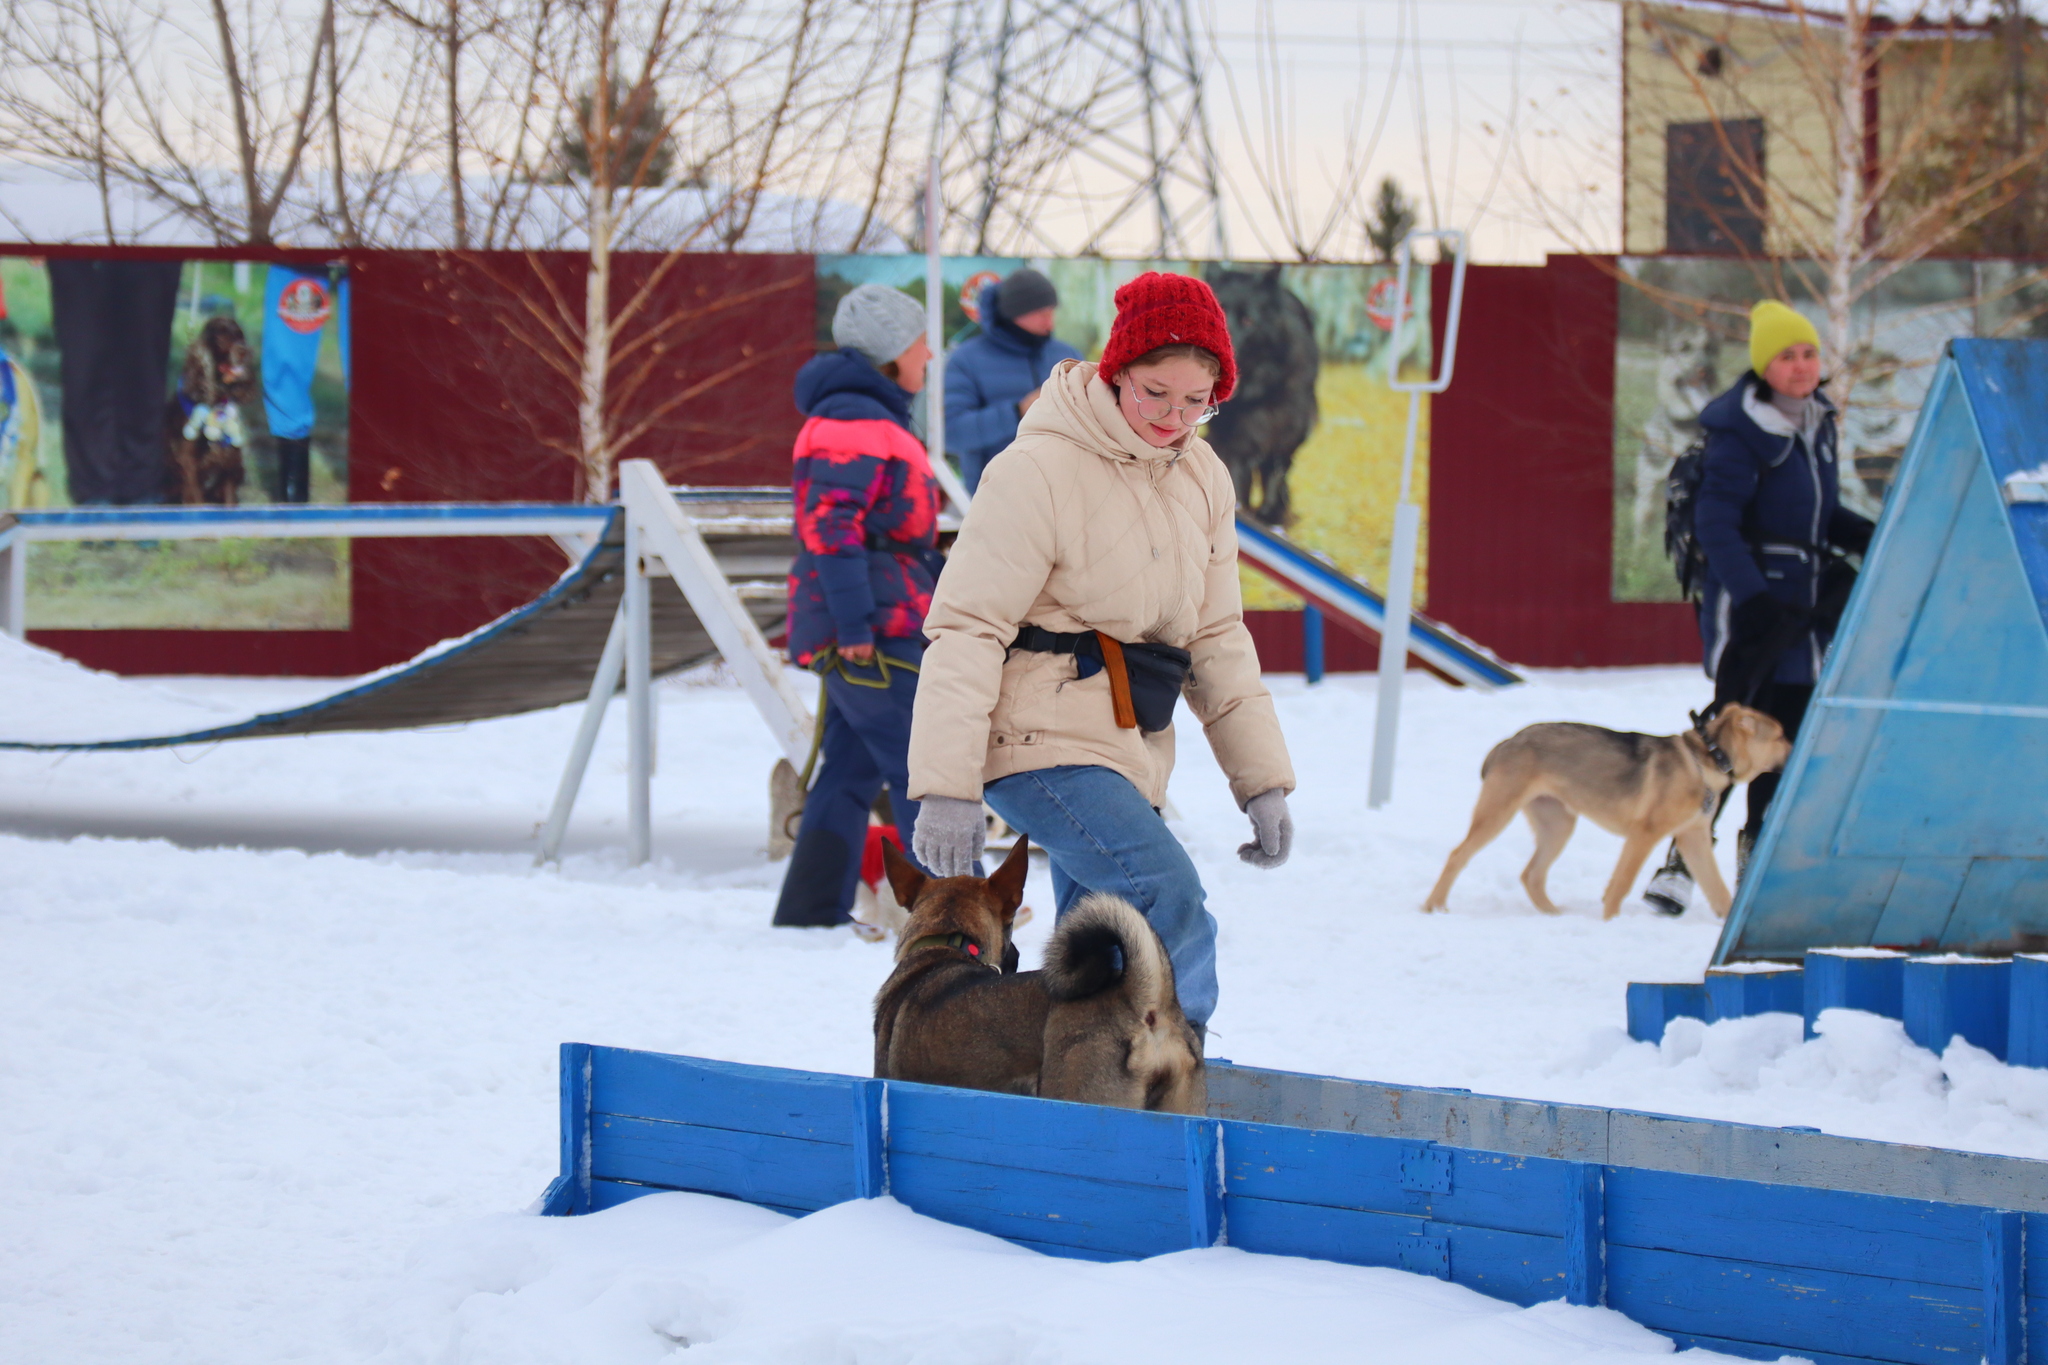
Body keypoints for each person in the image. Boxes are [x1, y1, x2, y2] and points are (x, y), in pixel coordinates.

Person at [907, 271, 1296, 1037]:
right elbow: (967, 624)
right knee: (1169, 901)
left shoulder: (1204, 476)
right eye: (1155, 393)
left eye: (1197, 401)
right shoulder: (1037, 470)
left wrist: (1262, 781)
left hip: (1129, 746)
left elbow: (1217, 636)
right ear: (1117, 372)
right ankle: (1184, 1078)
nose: (1174, 417)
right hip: (1034, 743)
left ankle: (1077, 1093)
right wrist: (946, 785)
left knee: (1098, 955)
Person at [1642, 299, 1875, 916]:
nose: (1801, 366)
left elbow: (1817, 513)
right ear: (1763, 366)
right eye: (1787, 356)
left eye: (1808, 354)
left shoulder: (1817, 422)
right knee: (1726, 736)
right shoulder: (1738, 433)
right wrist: (1753, 599)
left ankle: (1759, 861)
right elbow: (1717, 525)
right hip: (1756, 607)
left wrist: (1865, 534)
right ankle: (1680, 863)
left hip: (1802, 615)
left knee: (1783, 739)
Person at [773, 283, 945, 927]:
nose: (929, 355)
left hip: (879, 610)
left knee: (848, 768)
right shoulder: (852, 423)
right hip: (871, 622)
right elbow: (831, 528)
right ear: (894, 350)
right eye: (922, 342)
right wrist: (853, 626)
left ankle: (810, 910)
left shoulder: (869, 418)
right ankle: (956, 914)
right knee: (920, 764)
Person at [943, 267, 1082, 492]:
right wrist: (1017, 412)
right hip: (996, 496)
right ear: (1014, 313)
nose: (1050, 323)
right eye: (1041, 314)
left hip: (1066, 490)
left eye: (1051, 312)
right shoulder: (966, 360)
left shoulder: (1068, 356)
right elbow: (952, 434)